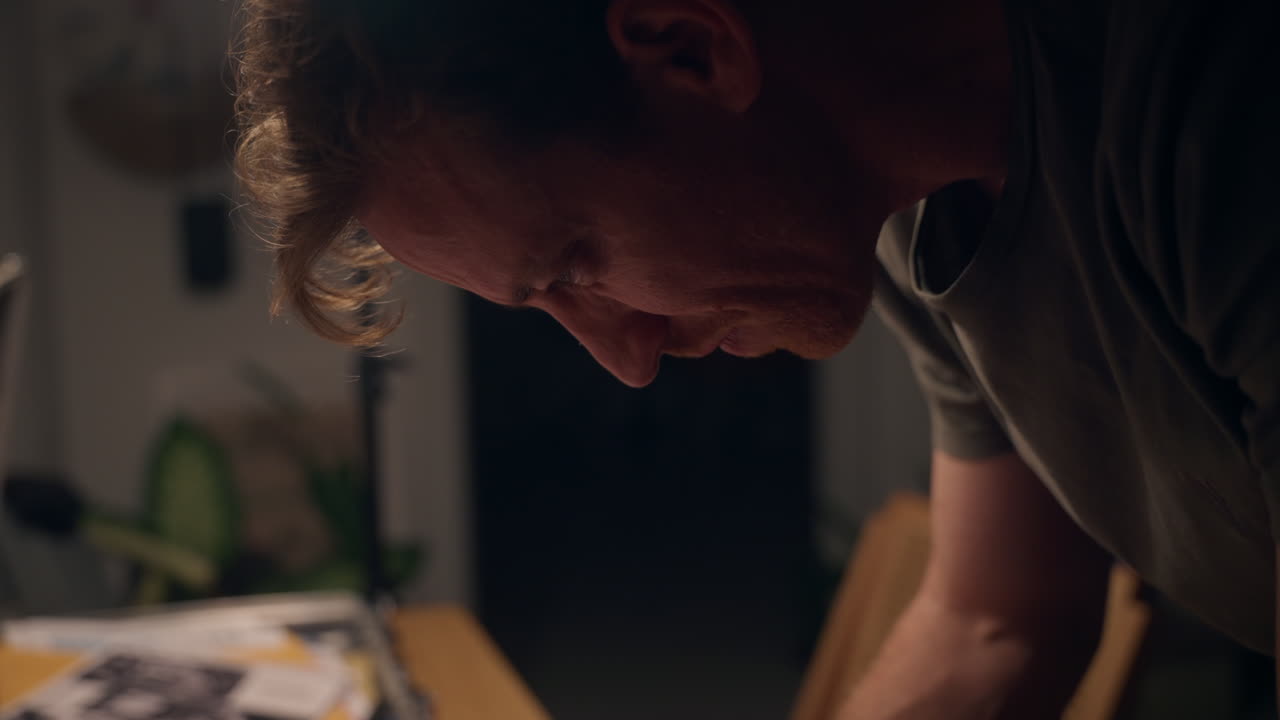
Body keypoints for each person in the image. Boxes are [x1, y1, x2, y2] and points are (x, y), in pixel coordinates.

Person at [233, 0, 1280, 716]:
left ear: (692, 48)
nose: (626, 361)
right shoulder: (902, 214)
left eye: (576, 263)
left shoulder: (1211, 101)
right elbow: (999, 619)